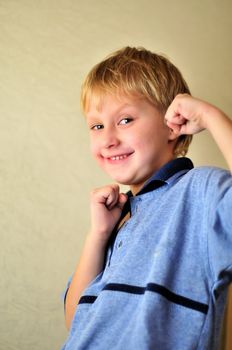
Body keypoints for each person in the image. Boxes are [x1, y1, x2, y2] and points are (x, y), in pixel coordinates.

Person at [61, 47, 232, 350]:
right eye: (97, 125)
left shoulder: (200, 191)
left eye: (125, 120)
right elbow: (77, 323)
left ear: (172, 124)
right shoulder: (117, 216)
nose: (108, 139)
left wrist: (212, 117)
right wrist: (98, 235)